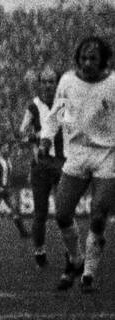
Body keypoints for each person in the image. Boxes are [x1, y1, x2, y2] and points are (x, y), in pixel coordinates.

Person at [49, 36, 115, 292]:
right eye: (84, 58)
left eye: (93, 59)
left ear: (103, 62)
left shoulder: (112, 85)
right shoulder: (67, 82)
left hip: (106, 155)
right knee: (63, 212)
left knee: (98, 215)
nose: (87, 63)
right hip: (77, 153)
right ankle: (76, 258)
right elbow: (57, 112)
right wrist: (46, 138)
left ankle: (88, 273)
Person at [19, 66, 64, 266]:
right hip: (41, 165)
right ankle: (39, 253)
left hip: (63, 164)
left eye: (51, 81)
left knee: (65, 211)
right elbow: (21, 133)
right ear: (40, 84)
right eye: (44, 81)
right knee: (41, 212)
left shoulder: (65, 104)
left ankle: (72, 254)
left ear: (57, 83)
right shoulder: (34, 107)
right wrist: (35, 137)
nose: (47, 85)